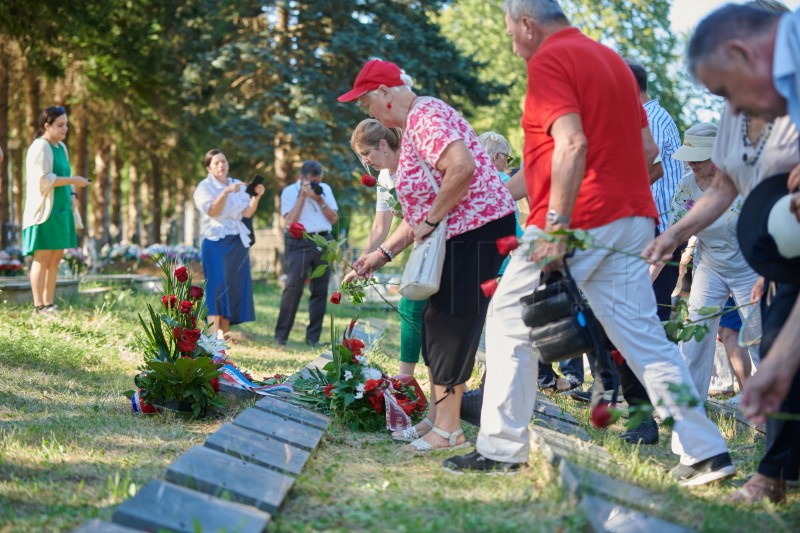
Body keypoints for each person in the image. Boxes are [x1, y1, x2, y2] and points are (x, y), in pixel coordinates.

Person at [444, 0, 735, 486]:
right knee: (644, 337)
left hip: (574, 218)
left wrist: (560, 223)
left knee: (508, 318)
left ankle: (501, 449)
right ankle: (706, 451)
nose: (514, 48)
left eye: (512, 34)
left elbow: (572, 144)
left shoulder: (551, 61)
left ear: (528, 25)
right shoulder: (613, 65)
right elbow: (646, 152)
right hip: (631, 217)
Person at [651, 0, 800, 503]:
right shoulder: (740, 111)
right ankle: (775, 472)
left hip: (769, 265)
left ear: (743, 54)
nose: (725, 103)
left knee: (776, 351)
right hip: (777, 262)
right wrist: (674, 236)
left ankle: (774, 469)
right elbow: (725, 187)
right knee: (781, 351)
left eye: (723, 88)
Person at [338, 59, 516, 451]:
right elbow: (417, 216)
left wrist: (433, 220)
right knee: (438, 320)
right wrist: (380, 255)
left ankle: (449, 430)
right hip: (462, 230)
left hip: (477, 227)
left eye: (366, 101)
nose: (366, 110)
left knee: (451, 322)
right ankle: (437, 418)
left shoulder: (425, 116)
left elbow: (462, 167)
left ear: (385, 93)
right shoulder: (412, 125)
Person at [667, 123, 761, 402]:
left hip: (748, 266)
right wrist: (648, 273)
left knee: (759, 338)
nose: (691, 162)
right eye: (689, 155)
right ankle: (689, 407)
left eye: (699, 155)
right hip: (709, 264)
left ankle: (773, 417)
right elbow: (674, 234)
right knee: (695, 335)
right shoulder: (686, 187)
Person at [345, 118, 426, 376]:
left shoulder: (413, 166)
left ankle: (407, 377)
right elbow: (380, 227)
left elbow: (417, 219)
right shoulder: (383, 178)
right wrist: (360, 263)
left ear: (383, 144)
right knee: (412, 307)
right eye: (361, 156)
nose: (365, 161)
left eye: (366, 153)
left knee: (413, 307)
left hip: (445, 239)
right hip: (422, 243)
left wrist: (381, 256)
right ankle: (412, 377)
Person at [21, 106, 90, 314]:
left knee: (55, 259)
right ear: (46, 126)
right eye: (60, 125)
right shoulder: (39, 147)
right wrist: (74, 181)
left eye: (66, 125)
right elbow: (43, 181)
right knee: (42, 258)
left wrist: (72, 194)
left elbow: (63, 174)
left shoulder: (62, 148)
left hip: (62, 211)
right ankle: (38, 306)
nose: (65, 129)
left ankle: (49, 304)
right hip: (45, 211)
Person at [193, 149, 263, 339]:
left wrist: (257, 196)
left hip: (237, 241)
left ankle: (225, 331)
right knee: (216, 284)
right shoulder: (203, 188)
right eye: (216, 163)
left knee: (232, 284)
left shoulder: (237, 184)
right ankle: (213, 332)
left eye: (223, 161)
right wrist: (224, 193)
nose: (221, 165)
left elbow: (247, 213)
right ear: (208, 168)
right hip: (215, 240)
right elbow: (213, 211)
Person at [274, 161, 339, 346]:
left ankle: (313, 338)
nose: (316, 185)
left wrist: (319, 199)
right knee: (292, 288)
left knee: (320, 290)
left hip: (324, 240)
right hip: (300, 242)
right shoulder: (289, 191)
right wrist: (302, 197)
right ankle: (281, 336)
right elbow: (288, 221)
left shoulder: (324, 189)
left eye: (318, 181)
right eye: (312, 181)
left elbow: (334, 218)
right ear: (302, 178)